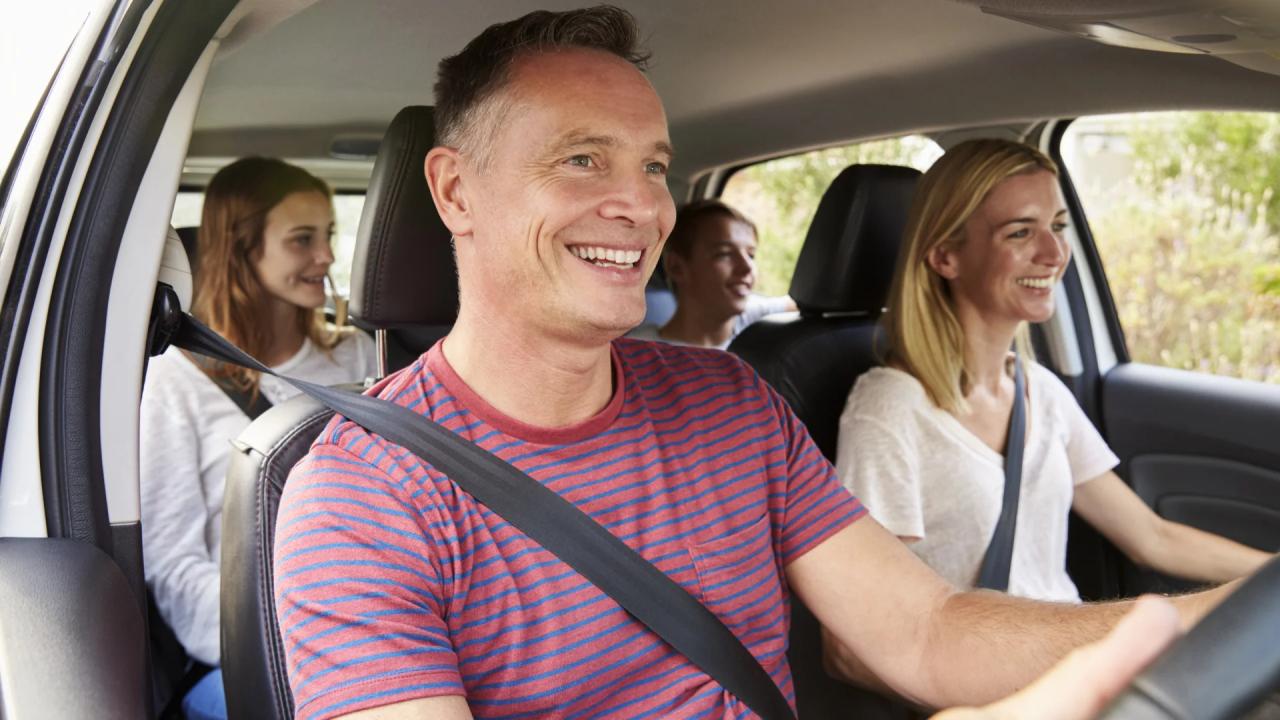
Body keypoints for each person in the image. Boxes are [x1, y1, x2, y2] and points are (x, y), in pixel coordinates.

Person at [271, 9, 1238, 720]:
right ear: (455, 191)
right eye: (581, 161)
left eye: (653, 166)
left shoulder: (733, 400)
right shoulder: (363, 496)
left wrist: (1222, 625)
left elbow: (921, 629)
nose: (642, 207)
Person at [833, 139, 1270, 604]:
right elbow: (864, 634)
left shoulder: (1038, 391)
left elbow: (1151, 538)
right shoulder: (890, 409)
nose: (1054, 252)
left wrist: (1270, 575)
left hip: (1076, 654)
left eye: (1058, 226)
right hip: (1007, 673)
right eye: (1020, 233)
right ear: (945, 256)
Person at [140, 157, 377, 720]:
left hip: (380, 616)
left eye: (329, 236)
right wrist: (302, 628)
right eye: (302, 240)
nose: (326, 258)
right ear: (242, 250)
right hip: (250, 651)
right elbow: (173, 564)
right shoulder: (176, 380)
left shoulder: (362, 354)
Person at [631, 199, 795, 348]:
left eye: (751, 255)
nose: (747, 268)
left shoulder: (753, 319)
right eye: (724, 254)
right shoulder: (638, 351)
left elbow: (808, 301)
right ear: (677, 268)